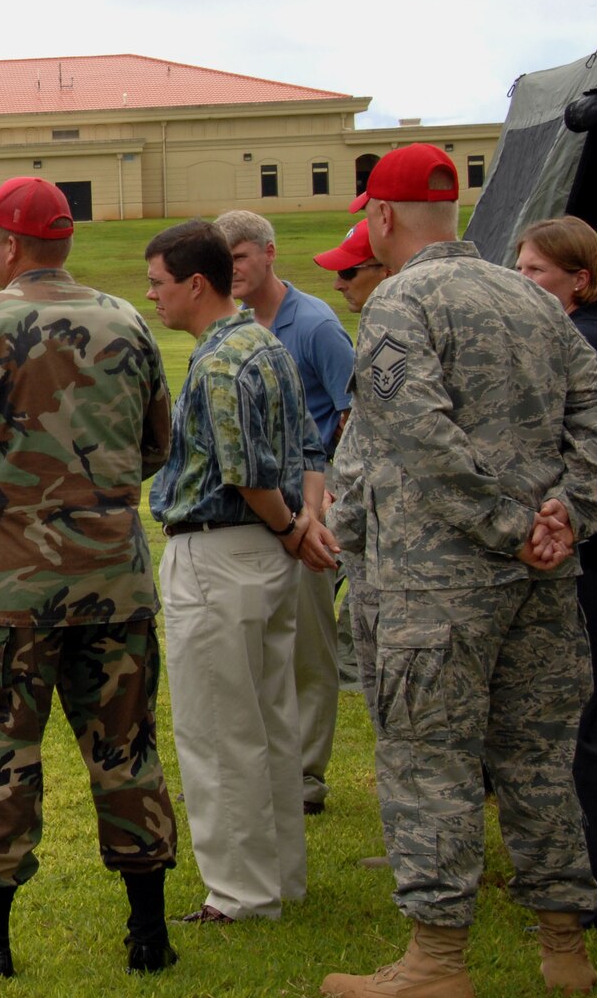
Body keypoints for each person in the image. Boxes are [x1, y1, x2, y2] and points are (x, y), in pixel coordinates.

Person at [321, 145, 597, 998]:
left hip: (436, 590)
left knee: (431, 768)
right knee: (539, 761)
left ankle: (434, 964)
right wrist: (569, 511)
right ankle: (566, 949)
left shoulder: (397, 304)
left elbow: (413, 428)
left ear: (380, 218)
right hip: (540, 582)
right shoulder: (530, 299)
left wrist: (507, 524)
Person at [0, 178, 180, 976]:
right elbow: (156, 444)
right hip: (115, 581)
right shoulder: (128, 320)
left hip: (12, 589)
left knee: (2, 751)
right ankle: (149, 935)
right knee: (127, 752)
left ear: (10, 245)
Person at [144, 220, 334, 926]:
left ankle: (241, 894)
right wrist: (303, 523)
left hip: (220, 551)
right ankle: (280, 877)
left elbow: (247, 470)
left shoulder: (222, 359)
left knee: (221, 729)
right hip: (265, 554)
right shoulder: (269, 343)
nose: (153, 297)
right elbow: (308, 447)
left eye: (159, 283)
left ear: (196, 283)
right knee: (270, 721)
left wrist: (291, 525)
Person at [516, 216, 597, 929]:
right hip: (582, 549)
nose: (524, 281)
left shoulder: (583, 342)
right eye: (521, 268)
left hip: (583, 553)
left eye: (537, 272)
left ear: (579, 280)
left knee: (577, 723)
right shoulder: (575, 335)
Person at [218, 209, 354, 817]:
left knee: (309, 648)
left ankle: (306, 777)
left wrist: (326, 508)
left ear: (269, 253)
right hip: (257, 511)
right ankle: (268, 768)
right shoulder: (235, 324)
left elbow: (355, 413)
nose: (233, 270)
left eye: (241, 257)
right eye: (224, 262)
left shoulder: (316, 324)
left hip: (313, 507)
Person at [314, 219, 394, 699]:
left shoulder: (330, 328)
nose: (339, 282)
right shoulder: (372, 324)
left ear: (382, 269)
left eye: (350, 272)